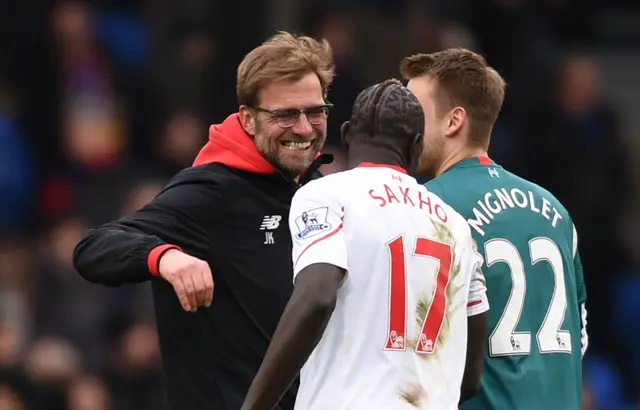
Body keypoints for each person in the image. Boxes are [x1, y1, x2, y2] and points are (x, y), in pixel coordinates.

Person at [72, 31, 335, 410]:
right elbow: (92, 248)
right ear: (248, 119)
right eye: (285, 115)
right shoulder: (212, 190)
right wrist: (165, 257)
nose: (305, 128)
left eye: (315, 111)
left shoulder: (319, 190)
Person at [240, 79, 490, 410]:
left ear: (346, 134)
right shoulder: (458, 227)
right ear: (415, 145)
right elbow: (470, 377)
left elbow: (317, 297)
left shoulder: (326, 195)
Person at [401, 48, 588, 410]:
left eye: (414, 113)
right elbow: (578, 336)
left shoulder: (424, 206)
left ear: (454, 120)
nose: (404, 126)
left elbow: (413, 343)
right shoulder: (555, 210)